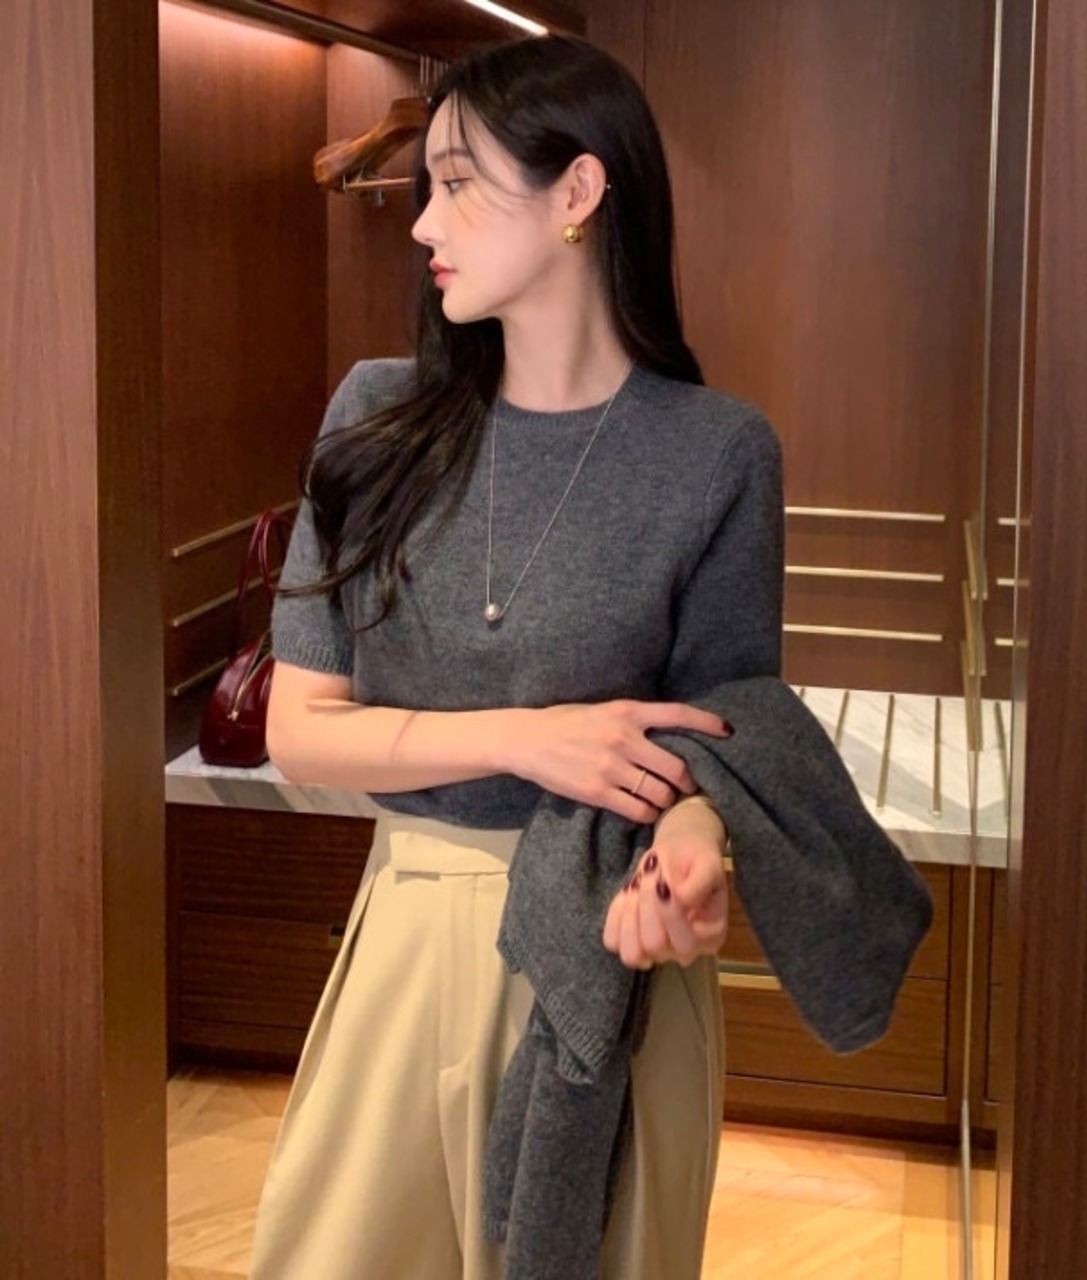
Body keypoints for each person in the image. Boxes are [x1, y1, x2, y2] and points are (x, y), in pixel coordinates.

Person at [249, 33, 784, 1280]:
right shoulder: (374, 416)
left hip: (612, 961)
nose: (421, 222)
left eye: (456, 183)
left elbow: (722, 733)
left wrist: (693, 859)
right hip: (408, 943)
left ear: (578, 193)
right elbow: (297, 728)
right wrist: (527, 738)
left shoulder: (716, 451)